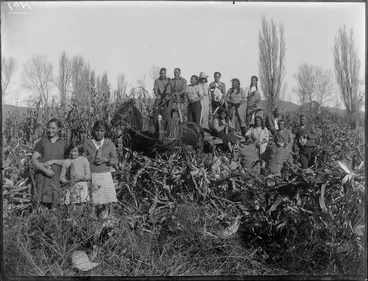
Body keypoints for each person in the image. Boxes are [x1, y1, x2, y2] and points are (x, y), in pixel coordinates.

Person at [83, 120, 118, 216]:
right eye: (97, 130)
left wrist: (105, 160)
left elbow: (115, 160)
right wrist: (91, 159)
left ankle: (103, 222)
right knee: (92, 203)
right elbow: (82, 158)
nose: (99, 133)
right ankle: (91, 225)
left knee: (105, 204)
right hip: (92, 175)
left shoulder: (109, 143)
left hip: (105, 176)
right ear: (93, 130)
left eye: (102, 130)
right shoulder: (87, 143)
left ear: (105, 131)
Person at [32, 118, 68, 208]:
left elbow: (69, 161)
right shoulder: (42, 142)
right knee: (42, 205)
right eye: (49, 128)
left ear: (59, 129)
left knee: (56, 205)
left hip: (57, 179)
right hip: (43, 178)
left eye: (53, 128)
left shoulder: (64, 143)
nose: (50, 130)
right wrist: (45, 170)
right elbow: (34, 160)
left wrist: (54, 161)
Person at [164, 68, 188, 133]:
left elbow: (184, 90)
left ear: (179, 73)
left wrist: (178, 93)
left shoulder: (183, 81)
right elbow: (168, 89)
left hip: (181, 100)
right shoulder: (171, 81)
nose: (175, 73)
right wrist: (168, 94)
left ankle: (183, 130)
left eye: (177, 72)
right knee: (171, 113)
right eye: (174, 72)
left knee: (182, 115)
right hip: (172, 99)